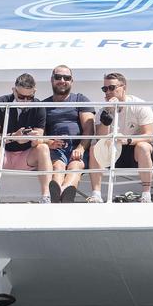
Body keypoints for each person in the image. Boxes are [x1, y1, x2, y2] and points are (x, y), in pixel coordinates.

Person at [0, 73, 54, 204]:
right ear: (14, 90)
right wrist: (14, 137)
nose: (25, 101)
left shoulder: (38, 106)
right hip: (4, 156)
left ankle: (46, 197)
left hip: (27, 157)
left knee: (43, 148)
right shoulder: (0, 103)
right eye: (21, 97)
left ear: (34, 92)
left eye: (29, 97)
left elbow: (39, 139)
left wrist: (33, 139)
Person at [90, 72, 153, 203]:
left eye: (112, 88)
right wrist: (108, 114)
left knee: (143, 147)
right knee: (94, 148)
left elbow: (149, 135)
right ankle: (96, 195)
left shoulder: (139, 105)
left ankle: (146, 194)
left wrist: (128, 140)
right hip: (114, 154)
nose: (108, 92)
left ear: (124, 88)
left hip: (136, 152)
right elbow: (100, 139)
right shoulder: (103, 111)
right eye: (105, 89)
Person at [42, 65, 94, 203]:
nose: (62, 80)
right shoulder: (43, 105)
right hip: (55, 149)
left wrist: (81, 148)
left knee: (75, 166)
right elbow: (40, 133)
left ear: (72, 81)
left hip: (77, 147)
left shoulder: (80, 99)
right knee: (57, 166)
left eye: (67, 78)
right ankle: (60, 192)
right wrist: (48, 142)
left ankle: (62, 191)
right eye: (58, 77)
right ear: (52, 80)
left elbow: (89, 128)